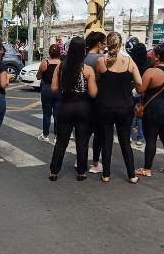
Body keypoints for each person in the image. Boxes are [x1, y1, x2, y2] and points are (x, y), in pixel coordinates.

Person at [48, 36, 98, 181]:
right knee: (82, 141)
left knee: (61, 141)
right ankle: (81, 172)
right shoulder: (87, 69)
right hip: (83, 107)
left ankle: (54, 171)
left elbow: (54, 89)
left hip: (65, 106)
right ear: (84, 50)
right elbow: (93, 93)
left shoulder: (61, 66)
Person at [96, 32, 142, 184]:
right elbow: (140, 86)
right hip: (125, 106)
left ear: (107, 44)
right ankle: (131, 175)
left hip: (106, 106)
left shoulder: (101, 61)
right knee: (125, 141)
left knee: (107, 140)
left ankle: (106, 174)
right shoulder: (130, 62)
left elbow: (98, 81)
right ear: (122, 44)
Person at [136, 44, 164, 177]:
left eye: (153, 53)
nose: (151, 55)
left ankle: (147, 168)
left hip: (154, 109)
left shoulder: (151, 72)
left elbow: (140, 90)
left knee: (151, 139)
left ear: (158, 56)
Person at [84, 31, 106, 173]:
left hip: (83, 99)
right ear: (99, 44)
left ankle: (79, 159)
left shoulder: (83, 58)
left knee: (84, 132)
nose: (105, 46)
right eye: (104, 43)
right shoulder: (101, 59)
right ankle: (96, 163)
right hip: (98, 99)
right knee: (99, 133)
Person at [36, 44, 62, 142]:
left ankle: (45, 135)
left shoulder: (45, 63)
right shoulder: (62, 63)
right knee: (57, 114)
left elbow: (38, 77)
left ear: (49, 53)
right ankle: (56, 136)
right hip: (58, 89)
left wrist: (41, 71)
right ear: (59, 53)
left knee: (46, 113)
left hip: (47, 89)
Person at [130, 42, 149, 144]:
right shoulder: (148, 62)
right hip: (143, 90)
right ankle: (140, 137)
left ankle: (128, 136)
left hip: (132, 89)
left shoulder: (131, 62)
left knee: (131, 115)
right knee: (140, 114)